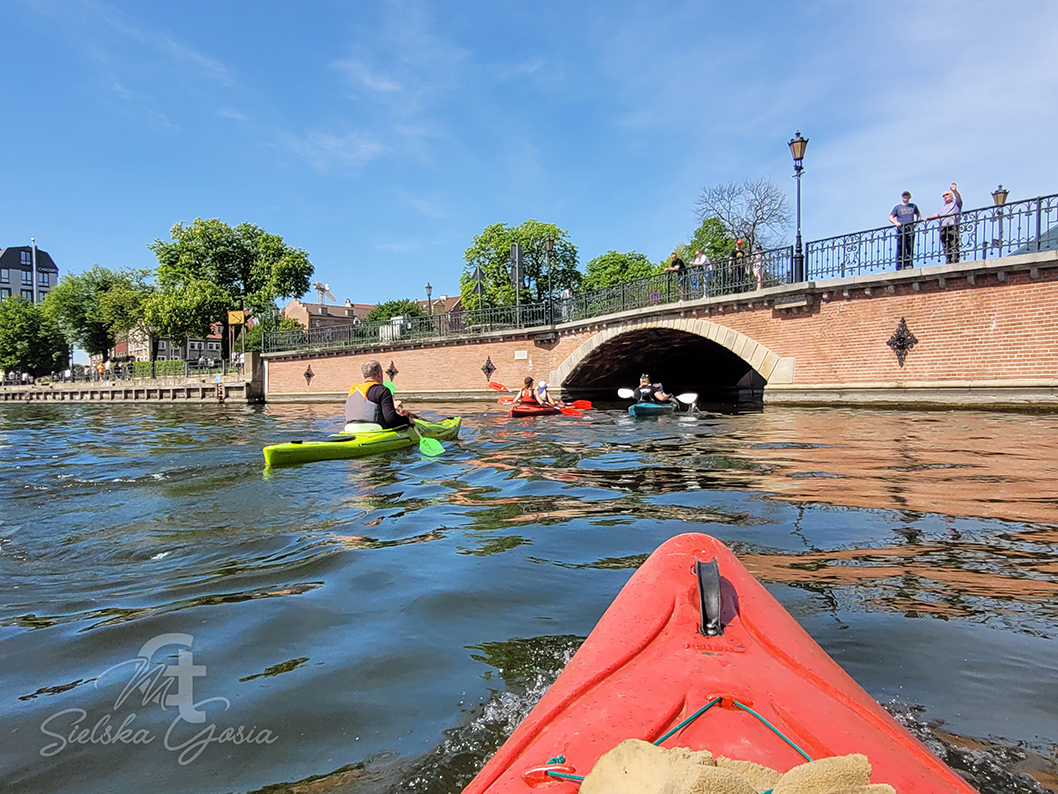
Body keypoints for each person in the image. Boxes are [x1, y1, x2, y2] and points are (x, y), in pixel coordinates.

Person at [345, 359, 417, 429]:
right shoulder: (382, 390)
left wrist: (391, 406)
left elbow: (365, 408)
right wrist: (407, 420)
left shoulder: (353, 390)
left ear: (364, 375)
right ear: (379, 374)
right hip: (375, 430)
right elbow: (391, 420)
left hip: (351, 429)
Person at [925, 182, 963, 264]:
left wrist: (954, 190)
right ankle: (948, 258)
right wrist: (928, 218)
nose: (945, 197)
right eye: (944, 196)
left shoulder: (956, 204)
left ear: (951, 196)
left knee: (953, 242)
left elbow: (959, 198)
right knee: (945, 244)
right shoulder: (943, 207)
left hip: (952, 225)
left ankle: (955, 258)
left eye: (947, 195)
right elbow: (937, 214)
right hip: (943, 226)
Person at [889, 191, 921, 270]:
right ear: (901, 197)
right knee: (901, 246)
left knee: (910, 246)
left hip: (910, 228)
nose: (905, 197)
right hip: (901, 229)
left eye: (907, 196)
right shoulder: (897, 207)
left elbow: (918, 214)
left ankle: (909, 263)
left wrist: (917, 223)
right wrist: (896, 223)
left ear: (909, 197)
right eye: (904, 196)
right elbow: (890, 217)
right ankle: (900, 265)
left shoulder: (913, 206)